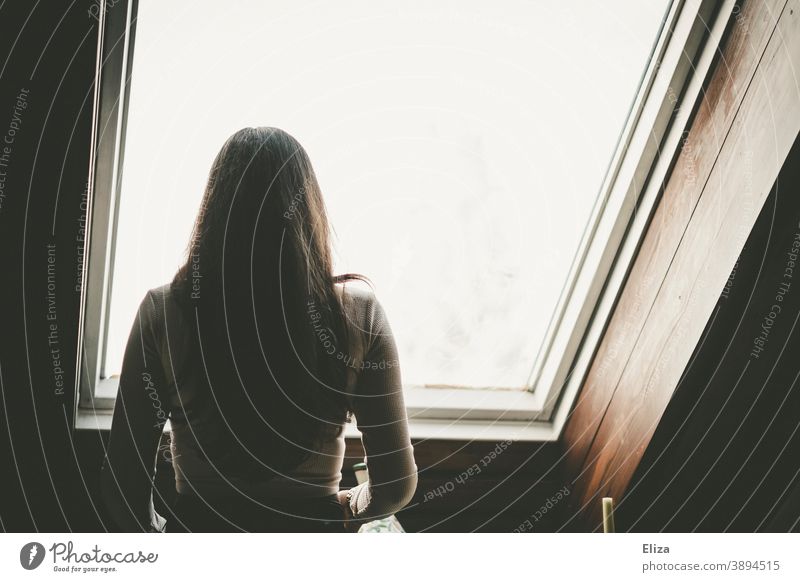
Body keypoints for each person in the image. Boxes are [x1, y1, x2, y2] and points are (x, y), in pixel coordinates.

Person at [100, 127, 417, 532]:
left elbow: (121, 487)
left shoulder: (163, 314)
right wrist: (346, 507)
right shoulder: (358, 314)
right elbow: (395, 485)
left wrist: (164, 537)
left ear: (213, 211)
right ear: (309, 210)